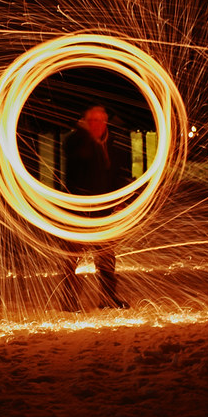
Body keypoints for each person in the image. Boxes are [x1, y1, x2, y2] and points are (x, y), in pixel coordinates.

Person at [56, 105, 131, 311]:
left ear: (105, 121)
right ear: (86, 122)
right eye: (92, 121)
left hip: (103, 210)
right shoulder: (76, 140)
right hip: (79, 211)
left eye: (100, 120)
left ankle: (108, 297)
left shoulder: (112, 142)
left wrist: (119, 197)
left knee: (106, 258)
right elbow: (78, 157)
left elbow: (115, 173)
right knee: (73, 260)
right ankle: (70, 302)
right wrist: (86, 135)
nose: (96, 124)